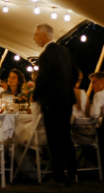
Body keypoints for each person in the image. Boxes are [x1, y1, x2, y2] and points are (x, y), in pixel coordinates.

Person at [31, 23, 79, 185]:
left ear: (44, 36)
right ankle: (72, 172)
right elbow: (76, 73)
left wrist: (35, 96)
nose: (34, 38)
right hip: (67, 101)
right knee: (65, 137)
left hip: (52, 103)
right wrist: (66, 87)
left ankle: (58, 174)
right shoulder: (64, 51)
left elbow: (42, 80)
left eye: (36, 34)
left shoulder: (46, 55)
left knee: (54, 139)